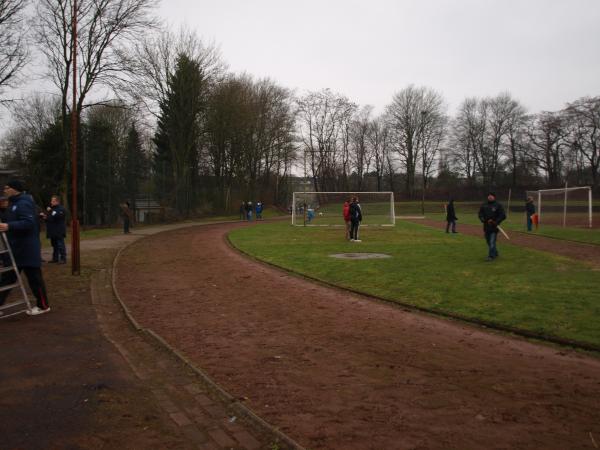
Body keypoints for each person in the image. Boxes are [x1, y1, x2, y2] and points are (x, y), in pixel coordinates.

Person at [0, 180, 50, 315]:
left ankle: (43, 305)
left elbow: (28, 223)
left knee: (35, 279)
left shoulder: (24, 203)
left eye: (7, 188)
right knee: (7, 278)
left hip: (27, 249)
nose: (4, 190)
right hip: (15, 248)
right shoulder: (13, 203)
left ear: (14, 189)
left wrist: (8, 226)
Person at [478, 192, 506, 261]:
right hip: (486, 227)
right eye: (489, 196)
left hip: (494, 227)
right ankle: (495, 253)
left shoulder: (498, 205)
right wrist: (483, 219)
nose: (490, 197)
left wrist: (496, 221)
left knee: (492, 242)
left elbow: (503, 215)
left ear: (494, 197)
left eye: (491, 196)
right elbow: (480, 214)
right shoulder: (484, 205)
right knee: (488, 242)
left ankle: (491, 256)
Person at [41, 195, 67, 264]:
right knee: (54, 245)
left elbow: (58, 216)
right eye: (51, 201)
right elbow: (51, 218)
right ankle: (55, 258)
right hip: (52, 231)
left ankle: (63, 259)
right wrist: (45, 217)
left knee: (60, 245)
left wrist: (51, 211)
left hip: (59, 230)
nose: (51, 202)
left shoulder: (61, 209)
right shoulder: (51, 209)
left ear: (57, 202)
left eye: (53, 201)